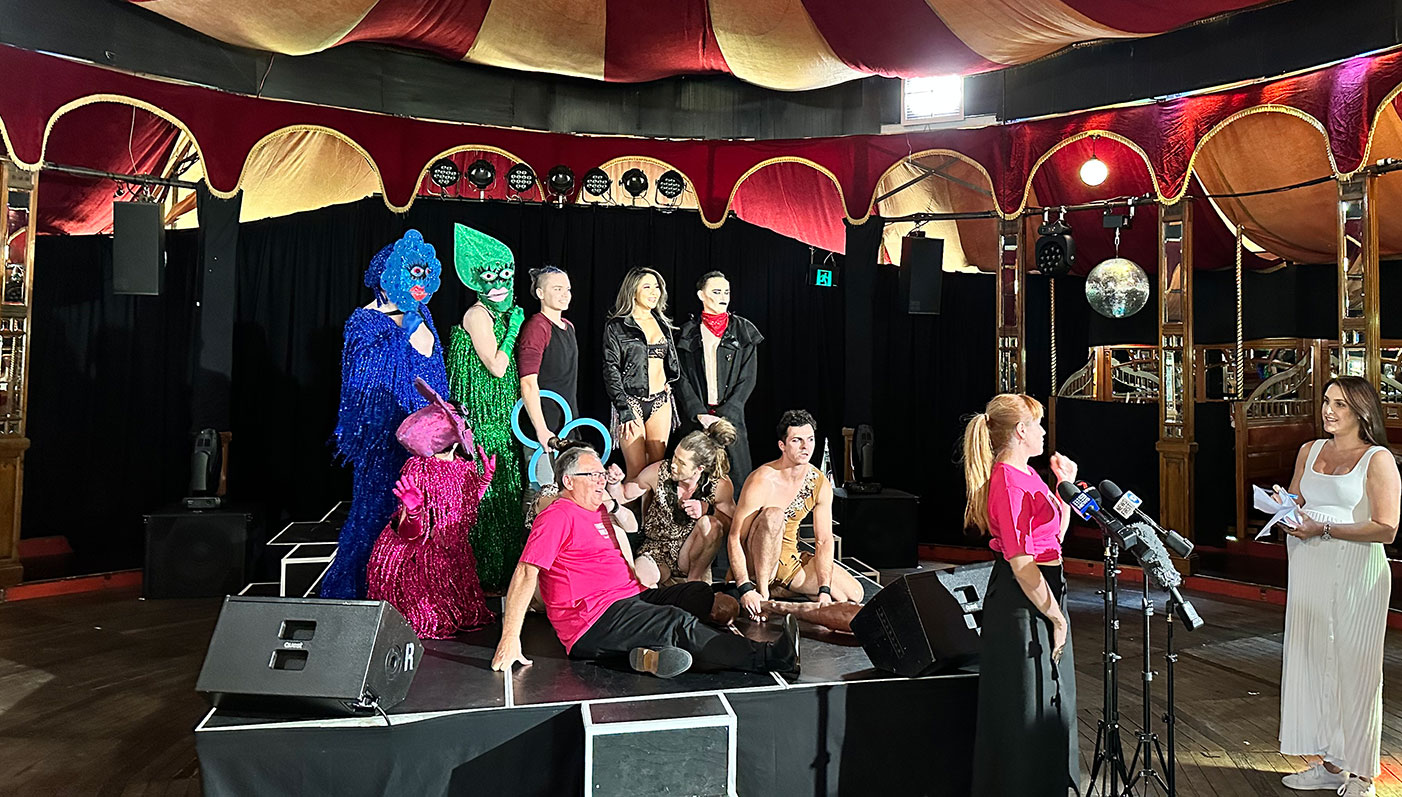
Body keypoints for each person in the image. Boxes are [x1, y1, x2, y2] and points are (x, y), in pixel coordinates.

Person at [491, 445, 799, 679]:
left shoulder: (597, 510)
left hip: (629, 597)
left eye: (602, 474)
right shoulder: (557, 515)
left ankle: (640, 654)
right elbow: (526, 571)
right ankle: (769, 657)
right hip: (593, 619)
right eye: (593, 475)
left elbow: (625, 537)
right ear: (568, 481)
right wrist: (509, 640)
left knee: (696, 595)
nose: (601, 480)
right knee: (674, 622)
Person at [1276, 376, 1399, 797]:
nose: (1329, 410)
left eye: (1340, 405)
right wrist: (1283, 507)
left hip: (1356, 574)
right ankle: (1329, 765)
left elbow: (1386, 528)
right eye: (1327, 402)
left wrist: (1323, 528)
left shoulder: (1377, 459)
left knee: (1356, 669)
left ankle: (1363, 773)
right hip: (1309, 567)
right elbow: (1297, 502)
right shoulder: (1309, 451)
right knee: (1314, 663)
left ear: (1361, 411)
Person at [962, 393, 1079, 797]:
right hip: (1021, 601)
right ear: (1021, 430)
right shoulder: (1008, 483)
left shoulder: (1029, 475)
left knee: (1049, 697)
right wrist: (1057, 617)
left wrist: (1063, 492)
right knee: (1023, 708)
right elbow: (1021, 562)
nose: (1045, 431)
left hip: (1043, 594)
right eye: (1039, 424)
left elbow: (1052, 542)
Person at [323, 230, 450, 599]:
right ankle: (368, 591)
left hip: (421, 435)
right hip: (383, 436)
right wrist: (399, 336)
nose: (418, 282)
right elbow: (361, 377)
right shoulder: (363, 320)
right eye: (411, 273)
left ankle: (417, 595)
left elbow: (434, 368)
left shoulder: (422, 312)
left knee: (422, 514)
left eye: (423, 274)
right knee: (379, 510)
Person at [366, 379, 496, 639]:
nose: (468, 430)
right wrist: (413, 512)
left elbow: (463, 514)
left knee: (462, 614)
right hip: (417, 566)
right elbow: (408, 535)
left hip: (451, 561)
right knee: (426, 619)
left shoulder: (463, 466)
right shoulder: (419, 470)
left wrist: (481, 483)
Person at [726, 410, 864, 621]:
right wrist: (745, 587)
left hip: (789, 564)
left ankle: (781, 594)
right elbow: (736, 537)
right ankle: (763, 594)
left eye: (810, 439)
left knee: (854, 594)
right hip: (758, 561)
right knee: (774, 515)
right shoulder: (762, 479)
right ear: (782, 445)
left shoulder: (819, 483)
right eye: (797, 440)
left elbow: (824, 540)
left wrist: (824, 590)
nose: (805, 447)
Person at [447, 224, 525, 593]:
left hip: (500, 421)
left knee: (503, 498)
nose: (500, 285)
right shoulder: (479, 315)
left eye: (505, 276)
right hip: (483, 424)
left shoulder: (497, 314)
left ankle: (500, 573)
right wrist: (514, 328)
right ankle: (481, 574)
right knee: (486, 497)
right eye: (491, 277)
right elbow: (496, 365)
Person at [608, 419, 738, 587]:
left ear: (700, 468)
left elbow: (732, 525)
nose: (674, 465)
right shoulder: (659, 471)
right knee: (640, 580)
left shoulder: (719, 485)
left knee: (711, 524)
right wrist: (614, 482)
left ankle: (694, 582)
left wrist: (708, 509)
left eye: (682, 463)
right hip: (656, 549)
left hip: (689, 553)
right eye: (675, 457)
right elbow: (624, 495)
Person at [675, 271, 763, 488]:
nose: (723, 296)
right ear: (701, 295)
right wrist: (699, 413)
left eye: (726, 292)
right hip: (698, 419)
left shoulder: (743, 331)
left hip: (730, 418)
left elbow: (748, 378)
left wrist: (727, 414)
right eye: (716, 291)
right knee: (693, 479)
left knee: (737, 478)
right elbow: (680, 378)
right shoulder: (687, 333)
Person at [602, 267, 679, 480]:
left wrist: (670, 380)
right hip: (630, 402)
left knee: (657, 470)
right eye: (647, 286)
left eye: (657, 287)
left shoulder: (663, 323)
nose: (654, 292)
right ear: (632, 290)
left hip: (661, 402)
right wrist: (623, 408)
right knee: (636, 471)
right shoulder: (617, 326)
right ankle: (629, 513)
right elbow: (611, 370)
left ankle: (653, 515)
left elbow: (670, 362)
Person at [517, 266, 578, 486]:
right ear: (540, 293)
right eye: (557, 288)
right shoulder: (537, 327)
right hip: (544, 426)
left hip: (567, 422)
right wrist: (542, 430)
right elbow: (528, 383)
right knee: (542, 491)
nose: (565, 294)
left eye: (568, 289)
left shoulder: (568, 327)